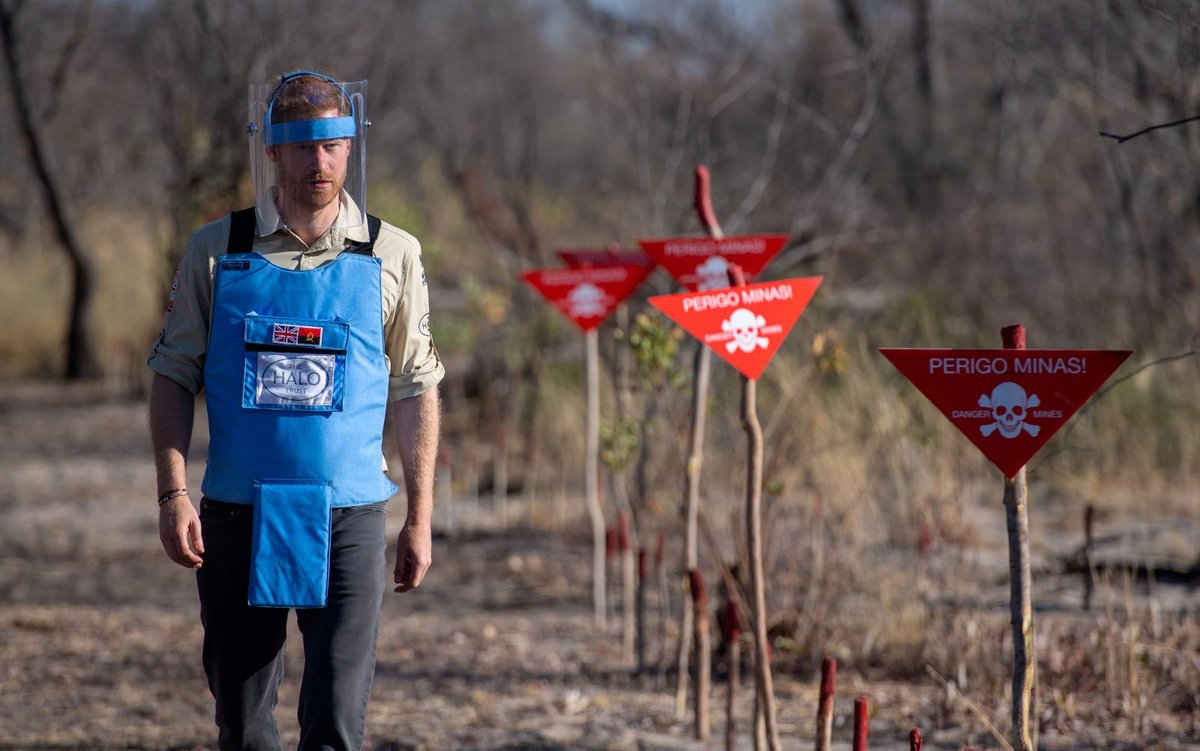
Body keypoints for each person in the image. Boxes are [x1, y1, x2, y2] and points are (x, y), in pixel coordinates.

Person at [147, 70, 443, 750]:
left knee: (337, 720)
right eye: (303, 146)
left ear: (351, 146)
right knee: (243, 723)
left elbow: (416, 386)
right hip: (234, 515)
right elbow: (170, 373)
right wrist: (173, 493)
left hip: (351, 517)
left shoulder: (391, 253)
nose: (320, 161)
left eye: (334, 144)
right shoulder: (218, 250)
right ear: (272, 151)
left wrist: (420, 518)